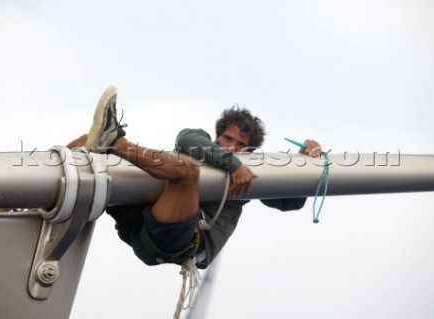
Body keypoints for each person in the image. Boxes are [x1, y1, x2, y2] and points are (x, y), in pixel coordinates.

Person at [67, 86, 321, 269]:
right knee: (88, 145)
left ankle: (113, 141)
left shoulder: (249, 172)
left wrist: (305, 162)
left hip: (187, 239)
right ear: (217, 137)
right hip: (140, 224)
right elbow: (187, 139)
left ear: (250, 151)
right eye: (227, 139)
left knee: (186, 172)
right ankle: (56, 173)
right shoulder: (201, 145)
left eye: (241, 145)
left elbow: (292, 201)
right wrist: (231, 164)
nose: (232, 147)